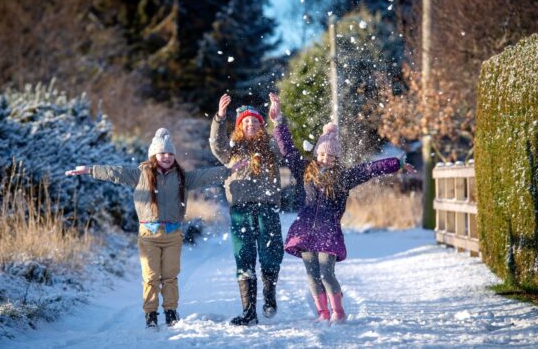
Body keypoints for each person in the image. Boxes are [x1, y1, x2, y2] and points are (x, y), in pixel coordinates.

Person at [65, 128, 246, 329]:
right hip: (148, 235)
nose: (167, 157)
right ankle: (151, 314)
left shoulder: (182, 177)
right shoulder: (140, 174)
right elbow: (115, 172)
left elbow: (204, 176)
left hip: (173, 235)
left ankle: (170, 312)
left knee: (170, 276)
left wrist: (229, 170)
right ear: (154, 155)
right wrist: (90, 170)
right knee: (150, 277)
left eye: (170, 154)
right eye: (162, 153)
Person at [269, 93, 414, 324]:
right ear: (317, 153)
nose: (325, 158)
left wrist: (396, 163)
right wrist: (278, 122)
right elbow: (287, 149)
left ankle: (338, 311)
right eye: (322, 154)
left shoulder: (344, 178)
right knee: (312, 275)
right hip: (305, 231)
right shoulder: (304, 170)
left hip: (328, 231)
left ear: (337, 158)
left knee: (327, 273)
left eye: (331, 155)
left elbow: (369, 169)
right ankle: (322, 313)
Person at [209, 93, 284, 326]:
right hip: (240, 209)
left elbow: (285, 146)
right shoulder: (231, 150)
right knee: (243, 256)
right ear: (240, 125)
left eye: (255, 121)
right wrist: (220, 118)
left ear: (261, 125)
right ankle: (249, 311)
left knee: (271, 254)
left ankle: (269, 295)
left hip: (268, 208)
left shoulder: (270, 147)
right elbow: (216, 143)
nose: (251, 124)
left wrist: (278, 119)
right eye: (246, 121)